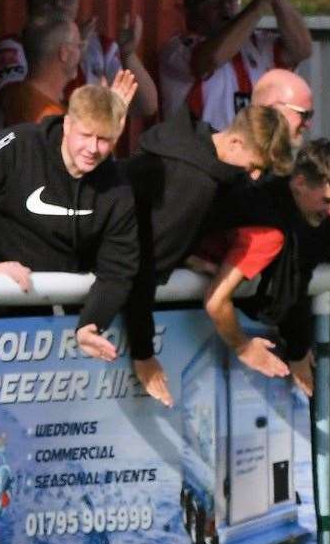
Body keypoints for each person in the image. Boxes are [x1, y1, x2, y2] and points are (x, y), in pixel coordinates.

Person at [0, 86, 137, 362]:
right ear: (68, 124)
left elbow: (118, 269)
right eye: (86, 135)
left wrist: (91, 324)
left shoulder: (117, 189)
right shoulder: (18, 144)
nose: (93, 149)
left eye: (104, 139)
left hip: (50, 333)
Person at [122, 104, 294, 405]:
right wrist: (143, 354)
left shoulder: (185, 140)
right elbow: (140, 264)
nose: (254, 177)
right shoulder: (195, 184)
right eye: (255, 165)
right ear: (235, 142)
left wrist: (184, 254)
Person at [199, 138, 330, 396]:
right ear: (299, 182)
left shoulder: (283, 203)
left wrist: (298, 346)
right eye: (328, 201)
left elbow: (296, 277)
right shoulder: (267, 233)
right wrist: (244, 347)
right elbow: (216, 301)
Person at [160, 0, 313, 130]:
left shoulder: (255, 42)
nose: (225, 6)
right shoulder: (178, 49)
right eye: (213, 1)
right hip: (200, 156)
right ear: (190, 12)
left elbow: (302, 49)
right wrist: (259, 3)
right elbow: (212, 58)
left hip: (252, 156)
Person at [0, 0, 158, 122]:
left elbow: (146, 107)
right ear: (29, 4)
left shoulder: (102, 47)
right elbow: (16, 106)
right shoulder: (14, 46)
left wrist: (128, 55)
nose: (58, 4)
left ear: (78, 1)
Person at [251, 68, 314, 142]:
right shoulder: (239, 152)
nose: (308, 124)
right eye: (304, 114)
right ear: (272, 110)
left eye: (310, 115)